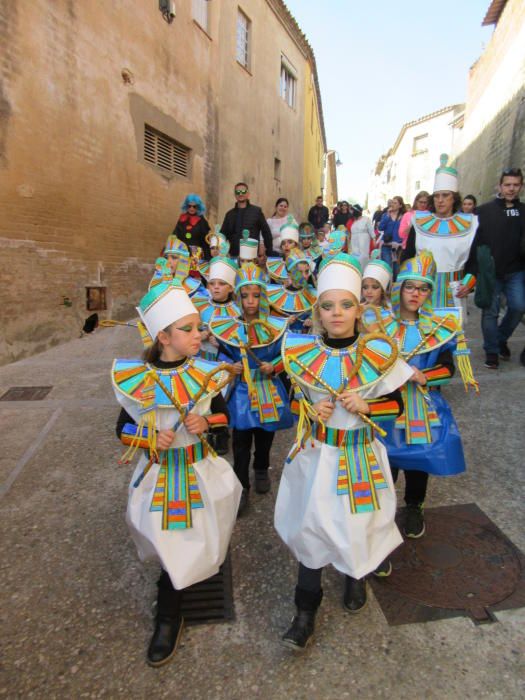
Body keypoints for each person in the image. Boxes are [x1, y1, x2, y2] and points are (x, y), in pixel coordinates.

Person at [275, 252, 413, 651]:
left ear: (359, 309)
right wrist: (306, 408)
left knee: (357, 522)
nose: (337, 313)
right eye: (328, 306)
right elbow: (291, 398)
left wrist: (368, 405)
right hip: (317, 456)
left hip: (359, 456)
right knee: (311, 528)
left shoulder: (379, 353)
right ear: (317, 310)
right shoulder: (300, 354)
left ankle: (356, 575)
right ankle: (305, 611)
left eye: (346, 305)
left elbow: (397, 403)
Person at [112, 279, 242, 666]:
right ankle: (169, 613)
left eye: (199, 326)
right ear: (163, 337)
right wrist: (149, 436)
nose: (199, 335)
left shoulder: (206, 372)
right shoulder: (140, 380)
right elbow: (122, 428)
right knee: (169, 539)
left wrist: (209, 423)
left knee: (197, 534)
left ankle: (179, 594)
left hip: (199, 470)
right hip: (160, 474)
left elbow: (223, 416)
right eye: (188, 329)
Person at [367, 251, 478, 539]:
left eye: (423, 288)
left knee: (420, 458)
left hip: (423, 403)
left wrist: (425, 376)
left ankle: (414, 505)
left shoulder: (440, 327)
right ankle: (383, 512)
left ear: (430, 292)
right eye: (410, 287)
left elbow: (448, 366)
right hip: (386, 403)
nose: (416, 293)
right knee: (385, 457)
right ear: (399, 288)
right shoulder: (375, 323)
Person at [210, 263, 294, 515]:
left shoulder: (277, 326)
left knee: (266, 435)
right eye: (244, 296)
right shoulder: (227, 328)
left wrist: (275, 366)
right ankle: (241, 486)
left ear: (263, 296)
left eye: (256, 295)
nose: (250, 302)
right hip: (243, 392)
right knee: (241, 440)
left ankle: (261, 467)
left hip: (269, 387)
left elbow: (286, 355)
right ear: (237, 297)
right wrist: (230, 366)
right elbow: (221, 356)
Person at [463, 168, 525, 369]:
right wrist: (472, 272)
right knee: (490, 312)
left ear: (521, 187)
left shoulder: (523, 211)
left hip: (516, 271)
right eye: (508, 184)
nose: (511, 189)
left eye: (516, 185)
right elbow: (473, 242)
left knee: (517, 307)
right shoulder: (483, 211)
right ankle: (492, 351)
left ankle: (499, 339)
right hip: (490, 272)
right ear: (500, 186)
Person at [402, 155, 478, 313]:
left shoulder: (470, 224)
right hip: (423, 289)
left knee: (451, 334)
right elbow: (408, 255)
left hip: (454, 291)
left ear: (454, 198)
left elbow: (474, 261)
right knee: (423, 332)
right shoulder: (419, 222)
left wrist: (469, 283)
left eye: (445, 195)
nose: (440, 200)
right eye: (437, 196)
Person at [221, 182, 274, 257]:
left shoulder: (257, 211)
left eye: (243, 191)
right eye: (238, 192)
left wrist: (269, 252)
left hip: (252, 256)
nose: (240, 194)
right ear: (235, 195)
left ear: (248, 194)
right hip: (234, 256)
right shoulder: (229, 214)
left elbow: (266, 232)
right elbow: (223, 234)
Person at [172, 194, 211, 260]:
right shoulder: (182, 218)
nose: (191, 208)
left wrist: (207, 258)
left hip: (196, 256)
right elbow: (175, 235)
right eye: (189, 206)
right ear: (186, 206)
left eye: (194, 206)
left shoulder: (202, 221)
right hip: (182, 253)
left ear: (198, 207)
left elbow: (205, 241)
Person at [378, 196, 406, 273]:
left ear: (400, 205)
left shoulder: (404, 217)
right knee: (387, 268)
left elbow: (406, 231)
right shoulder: (386, 215)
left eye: (395, 203)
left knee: (397, 270)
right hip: (386, 245)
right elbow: (380, 228)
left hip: (398, 247)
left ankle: (394, 284)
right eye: (392, 202)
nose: (392, 204)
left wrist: (401, 243)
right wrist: (387, 215)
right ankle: (388, 284)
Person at [349, 203, 375, 269]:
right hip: (354, 242)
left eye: (352, 211)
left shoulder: (366, 219)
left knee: (363, 257)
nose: (351, 213)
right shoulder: (354, 221)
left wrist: (374, 239)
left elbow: (371, 230)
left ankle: (364, 271)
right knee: (355, 256)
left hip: (363, 241)